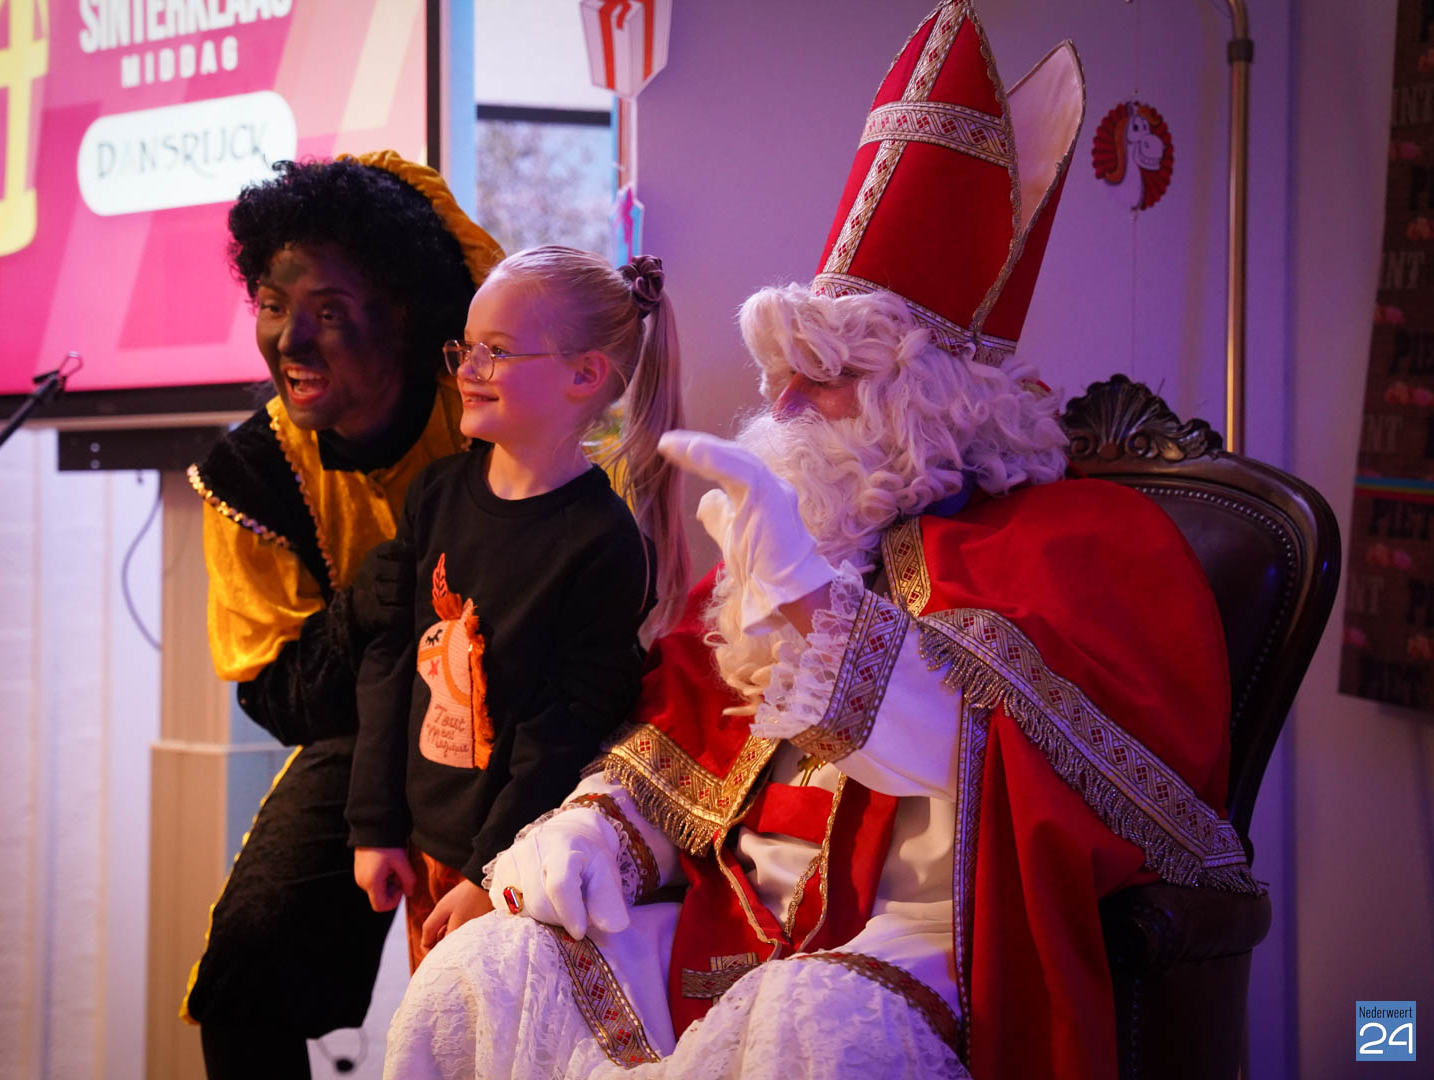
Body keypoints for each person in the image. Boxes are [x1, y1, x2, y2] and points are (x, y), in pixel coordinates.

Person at [383, 3, 1258, 1079]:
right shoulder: (794, 536)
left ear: (934, 399)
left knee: (811, 1021)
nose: (784, 404)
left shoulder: (1076, 543)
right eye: (780, 374)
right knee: (484, 969)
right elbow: (683, 743)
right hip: (733, 932)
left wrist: (814, 611)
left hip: (922, 953)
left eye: (825, 375)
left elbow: (1043, 779)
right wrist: (587, 833)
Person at [181, 152, 502, 1080]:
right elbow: (279, 698)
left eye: (327, 311)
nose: (290, 341)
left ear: (400, 312)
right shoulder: (250, 474)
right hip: (366, 727)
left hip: (526, 716)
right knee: (247, 966)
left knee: (514, 972)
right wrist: (361, 612)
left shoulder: (482, 401)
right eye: (272, 306)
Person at [346, 246, 691, 970]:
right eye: (466, 348)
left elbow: (561, 733)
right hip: (420, 845)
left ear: (584, 375)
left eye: (496, 351)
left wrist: (484, 872)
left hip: (509, 871)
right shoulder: (437, 493)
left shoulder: (601, 543)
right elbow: (390, 661)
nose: (468, 369)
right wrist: (374, 824)